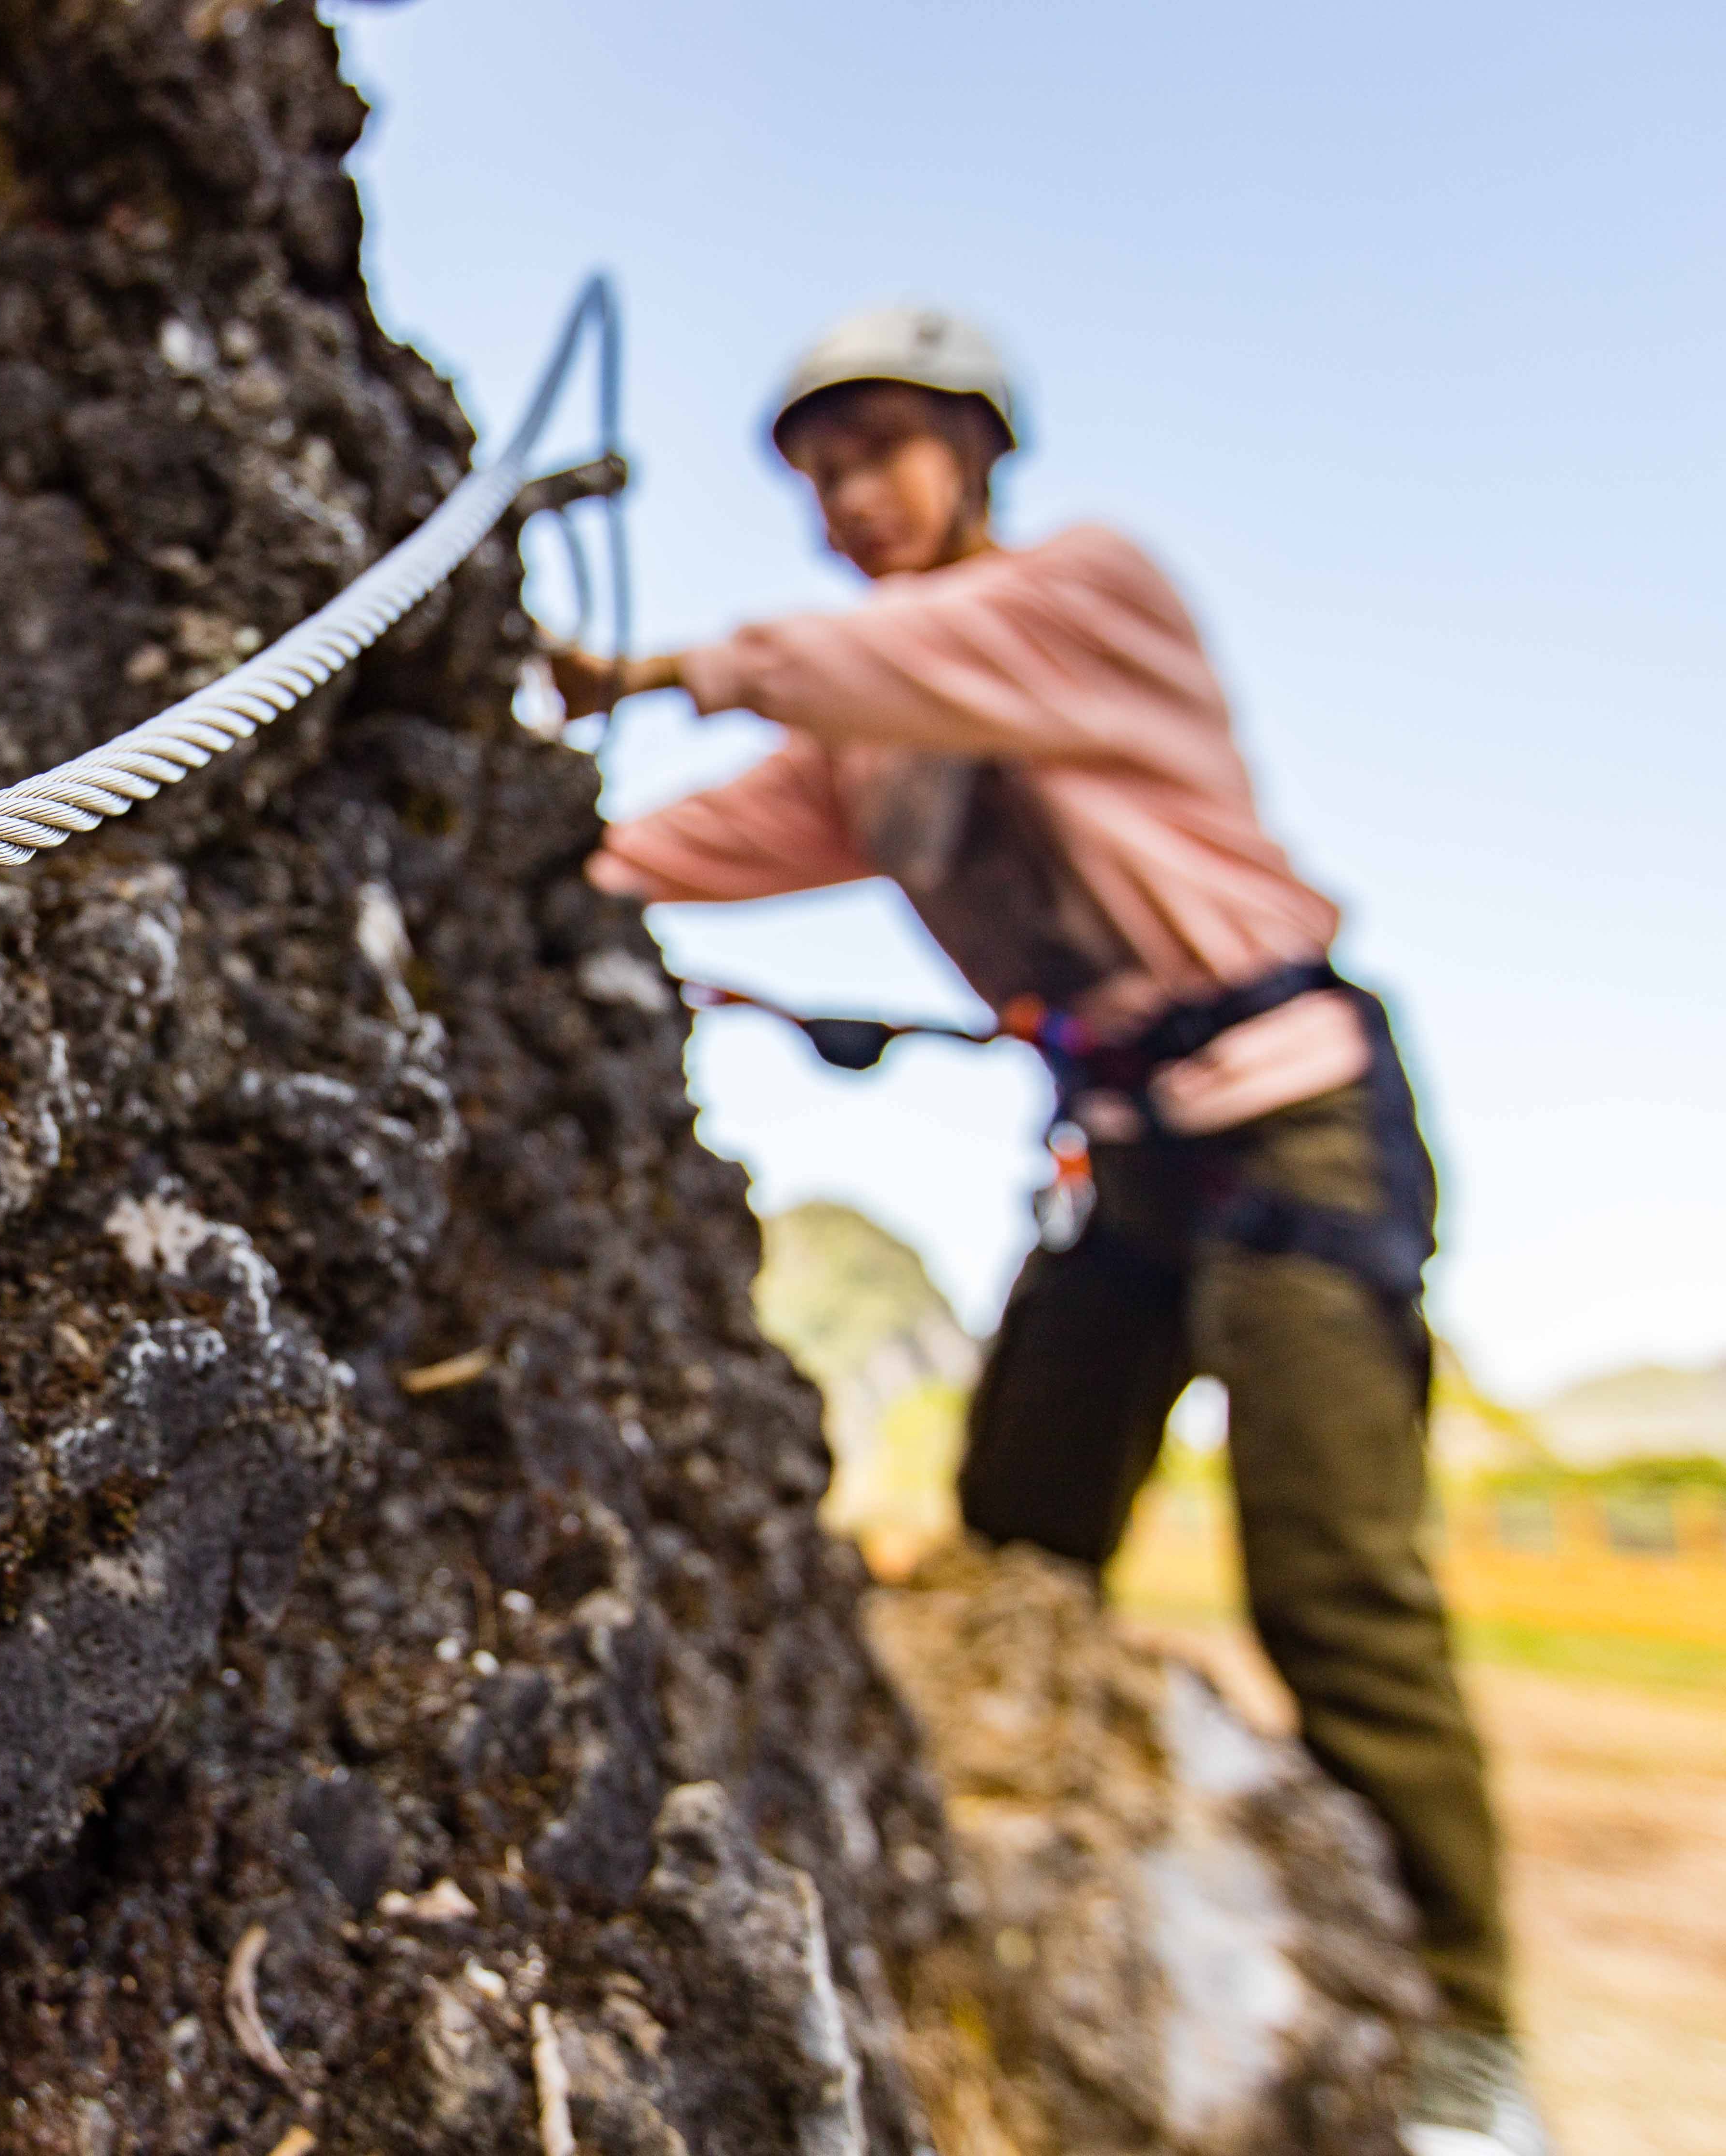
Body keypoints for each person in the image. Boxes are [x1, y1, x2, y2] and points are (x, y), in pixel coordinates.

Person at [544, 306, 1547, 2156]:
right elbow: (679, 845)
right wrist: (517, 823)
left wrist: (656, 666)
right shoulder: (876, 743)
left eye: (884, 451)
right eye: (823, 470)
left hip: (1294, 1130)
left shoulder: (1085, 599)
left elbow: (885, 659)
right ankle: (1065, 1924)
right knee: (1019, 1537)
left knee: (1338, 1585)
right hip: (1126, 1162)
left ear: (980, 453)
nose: (853, 496)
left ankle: (1472, 2043)